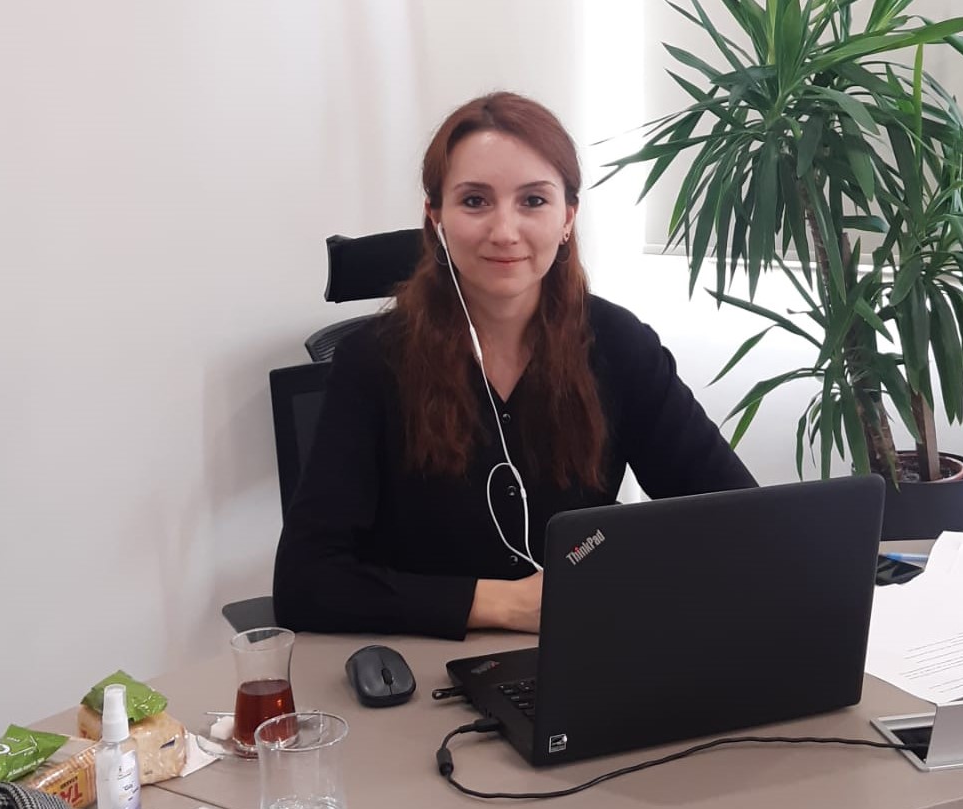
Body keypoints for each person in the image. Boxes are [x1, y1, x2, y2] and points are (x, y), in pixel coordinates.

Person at [272, 92, 755, 639]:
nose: (505, 231)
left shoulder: (620, 345)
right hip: (418, 660)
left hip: (583, 649)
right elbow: (304, 583)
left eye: (533, 200)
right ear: (436, 218)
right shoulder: (372, 361)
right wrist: (502, 603)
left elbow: (740, 521)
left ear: (567, 217)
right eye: (475, 201)